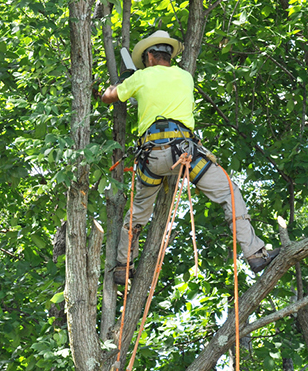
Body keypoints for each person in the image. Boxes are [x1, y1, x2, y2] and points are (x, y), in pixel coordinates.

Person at [101, 30, 279, 285]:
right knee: (229, 192)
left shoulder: (139, 78)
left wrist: (121, 84)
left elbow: (109, 98)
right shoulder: (186, 77)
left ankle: (122, 265)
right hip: (185, 154)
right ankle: (255, 254)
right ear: (168, 55)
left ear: (150, 56)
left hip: (151, 158)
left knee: (138, 213)